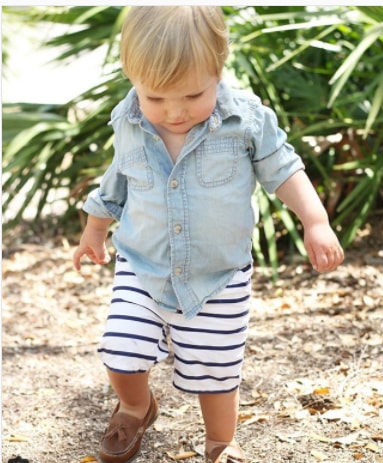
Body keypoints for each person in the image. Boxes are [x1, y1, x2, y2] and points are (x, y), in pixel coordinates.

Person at [73, 6, 344, 463]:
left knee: (216, 372)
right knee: (120, 352)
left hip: (219, 278)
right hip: (142, 268)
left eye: (193, 95)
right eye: (156, 98)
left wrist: (315, 222)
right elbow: (116, 180)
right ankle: (137, 406)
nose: (174, 112)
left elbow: (285, 171)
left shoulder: (246, 121)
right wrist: (94, 229)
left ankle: (220, 442)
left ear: (218, 70)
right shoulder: (130, 121)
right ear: (132, 76)